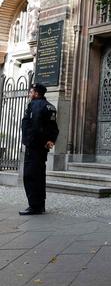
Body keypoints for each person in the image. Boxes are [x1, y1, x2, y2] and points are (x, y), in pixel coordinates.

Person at [20, 83, 59, 215]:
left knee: (29, 176)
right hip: (42, 147)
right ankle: (40, 205)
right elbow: (53, 127)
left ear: (36, 93)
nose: (29, 94)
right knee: (40, 176)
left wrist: (31, 142)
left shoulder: (35, 105)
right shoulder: (50, 106)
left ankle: (34, 206)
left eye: (31, 92)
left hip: (34, 147)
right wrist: (50, 140)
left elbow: (35, 127)